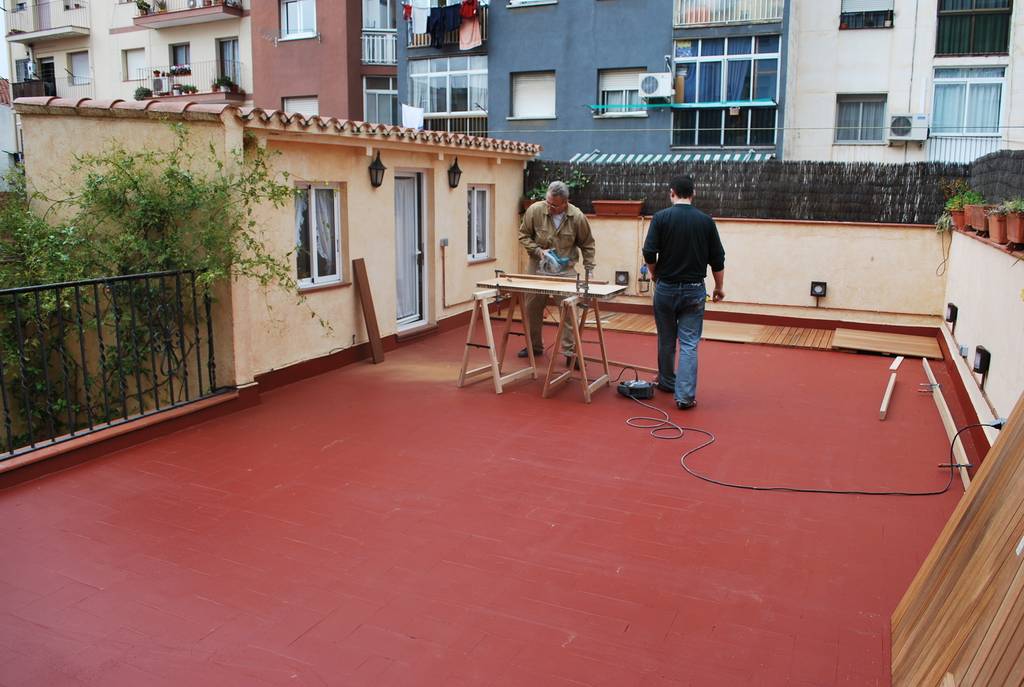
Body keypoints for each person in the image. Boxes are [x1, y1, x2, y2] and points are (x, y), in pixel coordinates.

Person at [642, 176, 725, 410]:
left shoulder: (661, 218)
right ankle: (685, 397)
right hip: (694, 290)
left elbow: (649, 252)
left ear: (672, 193)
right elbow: (717, 259)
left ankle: (667, 383)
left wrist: (654, 273)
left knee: (666, 339)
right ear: (693, 193)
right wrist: (719, 288)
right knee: (689, 343)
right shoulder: (706, 222)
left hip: (666, 289)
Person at [517, 180, 597, 366]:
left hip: (565, 270)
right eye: (548, 202)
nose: (550, 207)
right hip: (538, 268)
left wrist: (589, 269)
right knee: (532, 309)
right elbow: (523, 235)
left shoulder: (577, 217)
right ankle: (533, 346)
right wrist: (538, 251)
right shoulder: (535, 210)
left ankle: (570, 353)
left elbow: (587, 244)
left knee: (569, 310)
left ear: (565, 203)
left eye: (554, 205)